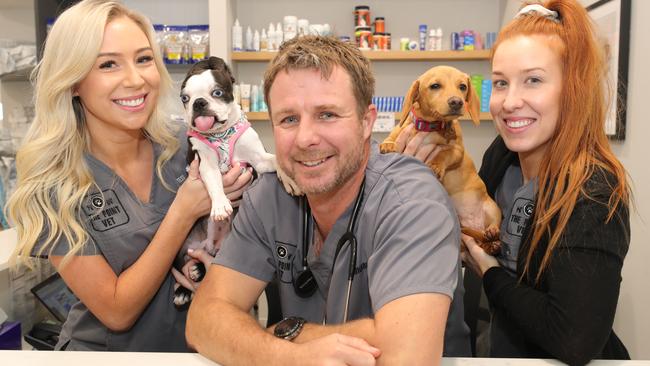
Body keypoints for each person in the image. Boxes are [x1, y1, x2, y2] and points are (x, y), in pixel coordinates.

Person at [186, 35, 471, 365]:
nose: (306, 138)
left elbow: (407, 354)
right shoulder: (270, 194)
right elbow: (203, 322)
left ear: (367, 122)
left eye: (327, 115)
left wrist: (286, 331)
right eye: (289, 119)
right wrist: (290, 357)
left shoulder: (412, 202)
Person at [6, 0, 251, 351]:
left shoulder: (189, 143)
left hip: (197, 351)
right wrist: (184, 211)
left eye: (143, 59)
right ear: (73, 81)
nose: (135, 80)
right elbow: (116, 311)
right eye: (108, 64)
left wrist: (224, 276)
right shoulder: (54, 185)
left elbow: (250, 237)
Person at [457, 1, 631, 364]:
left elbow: (573, 341)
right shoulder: (502, 157)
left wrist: (487, 270)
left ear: (573, 89)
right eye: (501, 83)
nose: (509, 102)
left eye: (533, 80)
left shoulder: (593, 193)